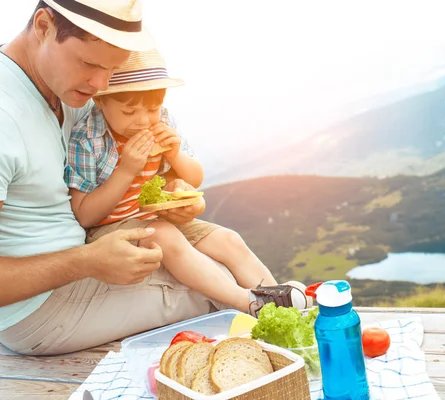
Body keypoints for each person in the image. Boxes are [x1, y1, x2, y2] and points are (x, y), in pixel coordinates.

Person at [0, 0, 301, 356]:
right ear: (43, 25)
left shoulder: (60, 84)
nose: (100, 85)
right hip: (42, 310)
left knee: (230, 257)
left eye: (112, 70)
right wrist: (86, 260)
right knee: (237, 286)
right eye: (89, 64)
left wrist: (180, 202)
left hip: (85, 265)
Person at [65, 47, 311, 315]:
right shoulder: (88, 139)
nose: (142, 120)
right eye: (129, 111)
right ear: (101, 102)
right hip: (110, 229)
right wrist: (126, 170)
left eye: (152, 109)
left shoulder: (163, 123)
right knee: (164, 234)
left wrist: (175, 157)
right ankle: (249, 303)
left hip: (154, 218)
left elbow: (194, 178)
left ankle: (284, 309)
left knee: (228, 239)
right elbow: (85, 216)